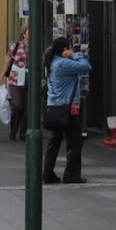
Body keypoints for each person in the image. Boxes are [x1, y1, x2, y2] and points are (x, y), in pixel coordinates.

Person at [43, 37, 92, 184]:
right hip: (68, 108)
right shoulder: (63, 63)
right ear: (64, 50)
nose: (71, 50)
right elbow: (86, 66)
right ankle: (71, 175)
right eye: (69, 48)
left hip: (54, 107)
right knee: (75, 142)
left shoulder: (51, 62)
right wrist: (75, 55)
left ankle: (47, 174)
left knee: (54, 142)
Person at [0, 24, 29, 141]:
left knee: (27, 107)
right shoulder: (16, 45)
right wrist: (1, 77)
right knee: (17, 105)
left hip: (29, 78)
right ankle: (13, 129)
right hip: (15, 78)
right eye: (28, 31)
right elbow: (7, 61)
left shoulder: (36, 45)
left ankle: (23, 132)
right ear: (24, 33)